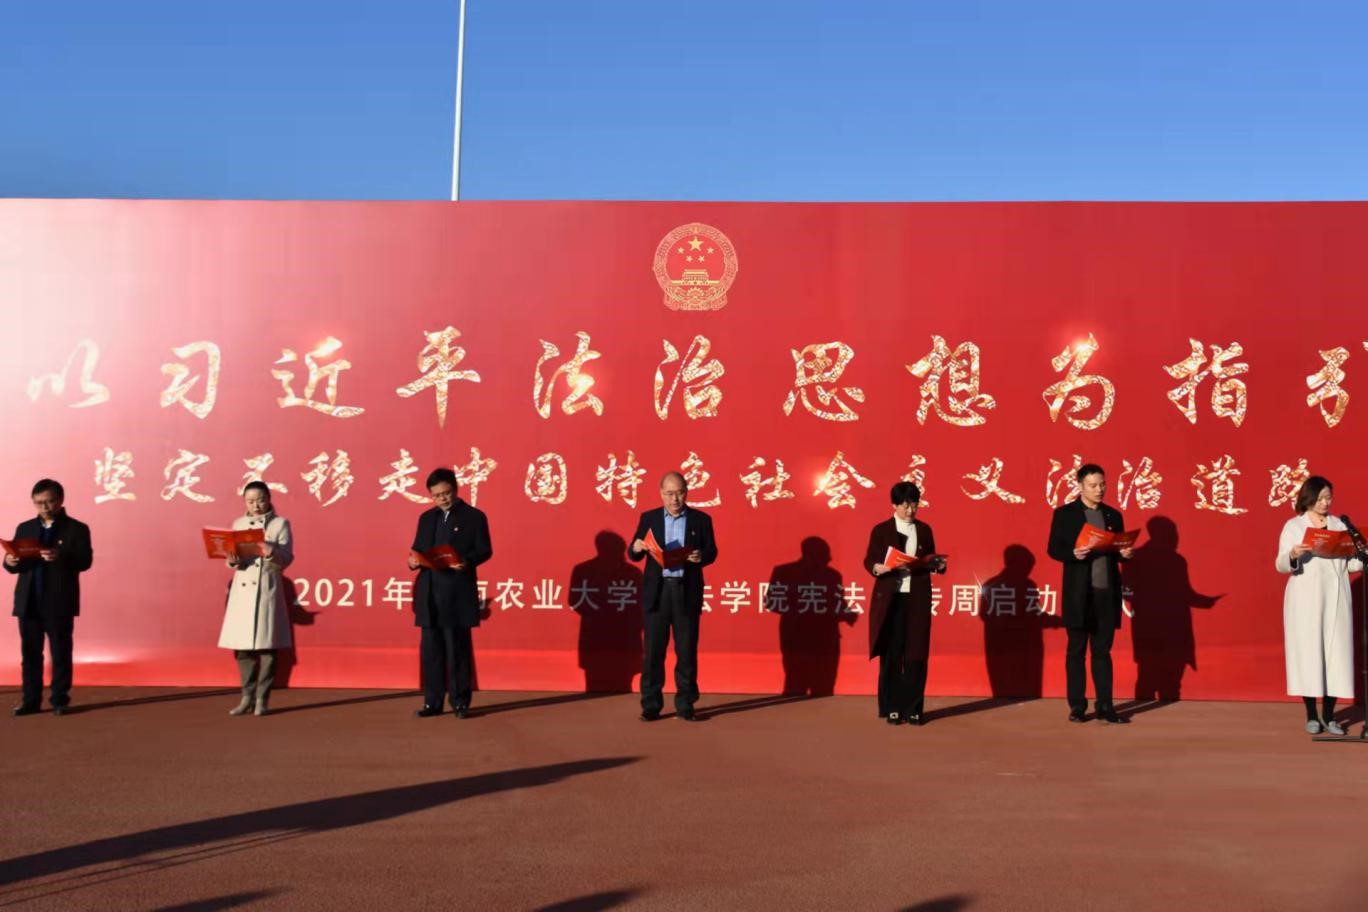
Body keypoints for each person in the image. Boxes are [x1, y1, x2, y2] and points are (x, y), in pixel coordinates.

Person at [1047, 463, 1134, 724]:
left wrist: (1125, 553)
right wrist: (1072, 553)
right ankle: (1077, 706)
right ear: (1080, 486)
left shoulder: (1113, 515)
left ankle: (1105, 705)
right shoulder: (1065, 514)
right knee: (1076, 651)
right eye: (1093, 485)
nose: (1099, 489)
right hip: (1078, 594)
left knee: (1102, 652)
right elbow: (1053, 549)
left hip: (1106, 593)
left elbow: (1119, 551)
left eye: (1102, 484)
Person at [628, 472, 718, 722]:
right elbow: (634, 552)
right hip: (658, 592)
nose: (674, 499)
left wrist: (700, 556)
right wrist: (636, 547)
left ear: (686, 492)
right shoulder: (649, 518)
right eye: (669, 494)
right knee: (653, 652)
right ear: (661, 494)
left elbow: (712, 551)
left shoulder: (701, 519)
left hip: (685, 590)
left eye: (679, 493)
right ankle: (651, 705)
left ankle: (686, 704)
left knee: (686, 652)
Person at [1275, 476, 1361, 735]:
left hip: (1336, 596)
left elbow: (1350, 565)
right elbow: (1280, 564)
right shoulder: (1294, 526)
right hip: (1305, 598)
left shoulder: (1339, 525)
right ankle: (1312, 715)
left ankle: (1329, 716)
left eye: (1328, 498)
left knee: (1336, 655)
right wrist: (1293, 554)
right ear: (1308, 498)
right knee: (1309, 654)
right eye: (1320, 498)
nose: (1325, 503)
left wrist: (1360, 556)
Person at [408, 468, 492, 719]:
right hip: (429, 593)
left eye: (446, 493)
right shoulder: (426, 518)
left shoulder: (474, 517)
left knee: (457, 650)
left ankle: (460, 702)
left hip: (456, 592)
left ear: (455, 489)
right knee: (431, 652)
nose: (442, 499)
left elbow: (485, 550)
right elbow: (417, 549)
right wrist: (413, 561)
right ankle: (432, 702)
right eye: (436, 495)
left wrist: (466, 562)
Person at [5, 479, 93, 716]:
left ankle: (59, 700)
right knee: (30, 655)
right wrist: (9, 561)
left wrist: (60, 556)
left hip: (58, 601)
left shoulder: (77, 528)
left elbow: (85, 561)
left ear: (61, 500)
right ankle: (30, 701)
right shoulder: (25, 528)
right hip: (29, 601)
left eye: (50, 501)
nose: (45, 507)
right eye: (39, 503)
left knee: (61, 652)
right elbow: (15, 566)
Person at [863, 481, 944, 726]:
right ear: (894, 505)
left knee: (916, 654)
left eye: (914, 504)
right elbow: (870, 560)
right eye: (905, 505)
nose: (910, 510)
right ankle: (892, 707)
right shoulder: (881, 530)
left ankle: (914, 708)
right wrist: (877, 567)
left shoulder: (925, 530)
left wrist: (938, 564)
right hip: (891, 598)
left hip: (916, 599)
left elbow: (930, 558)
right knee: (892, 654)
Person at [218, 481, 294, 716]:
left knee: (267, 648)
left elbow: (287, 558)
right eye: (250, 501)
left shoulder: (280, 524)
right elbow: (232, 559)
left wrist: (271, 551)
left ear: (269, 499)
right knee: (243, 649)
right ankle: (246, 697)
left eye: (260, 500)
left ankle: (262, 699)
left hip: (266, 590)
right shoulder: (238, 524)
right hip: (243, 593)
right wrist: (231, 559)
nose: (256, 505)